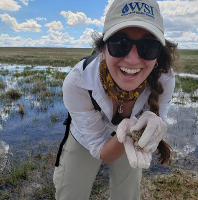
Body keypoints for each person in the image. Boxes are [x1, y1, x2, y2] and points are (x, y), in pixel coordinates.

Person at [53, 0, 177, 199]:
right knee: (71, 191)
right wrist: (128, 132)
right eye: (120, 44)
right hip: (84, 140)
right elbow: (102, 150)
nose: (133, 59)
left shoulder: (165, 78)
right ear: (103, 49)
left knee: (127, 194)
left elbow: (155, 121)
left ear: (158, 55)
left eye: (148, 47)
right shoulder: (78, 82)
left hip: (131, 142)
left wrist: (139, 130)